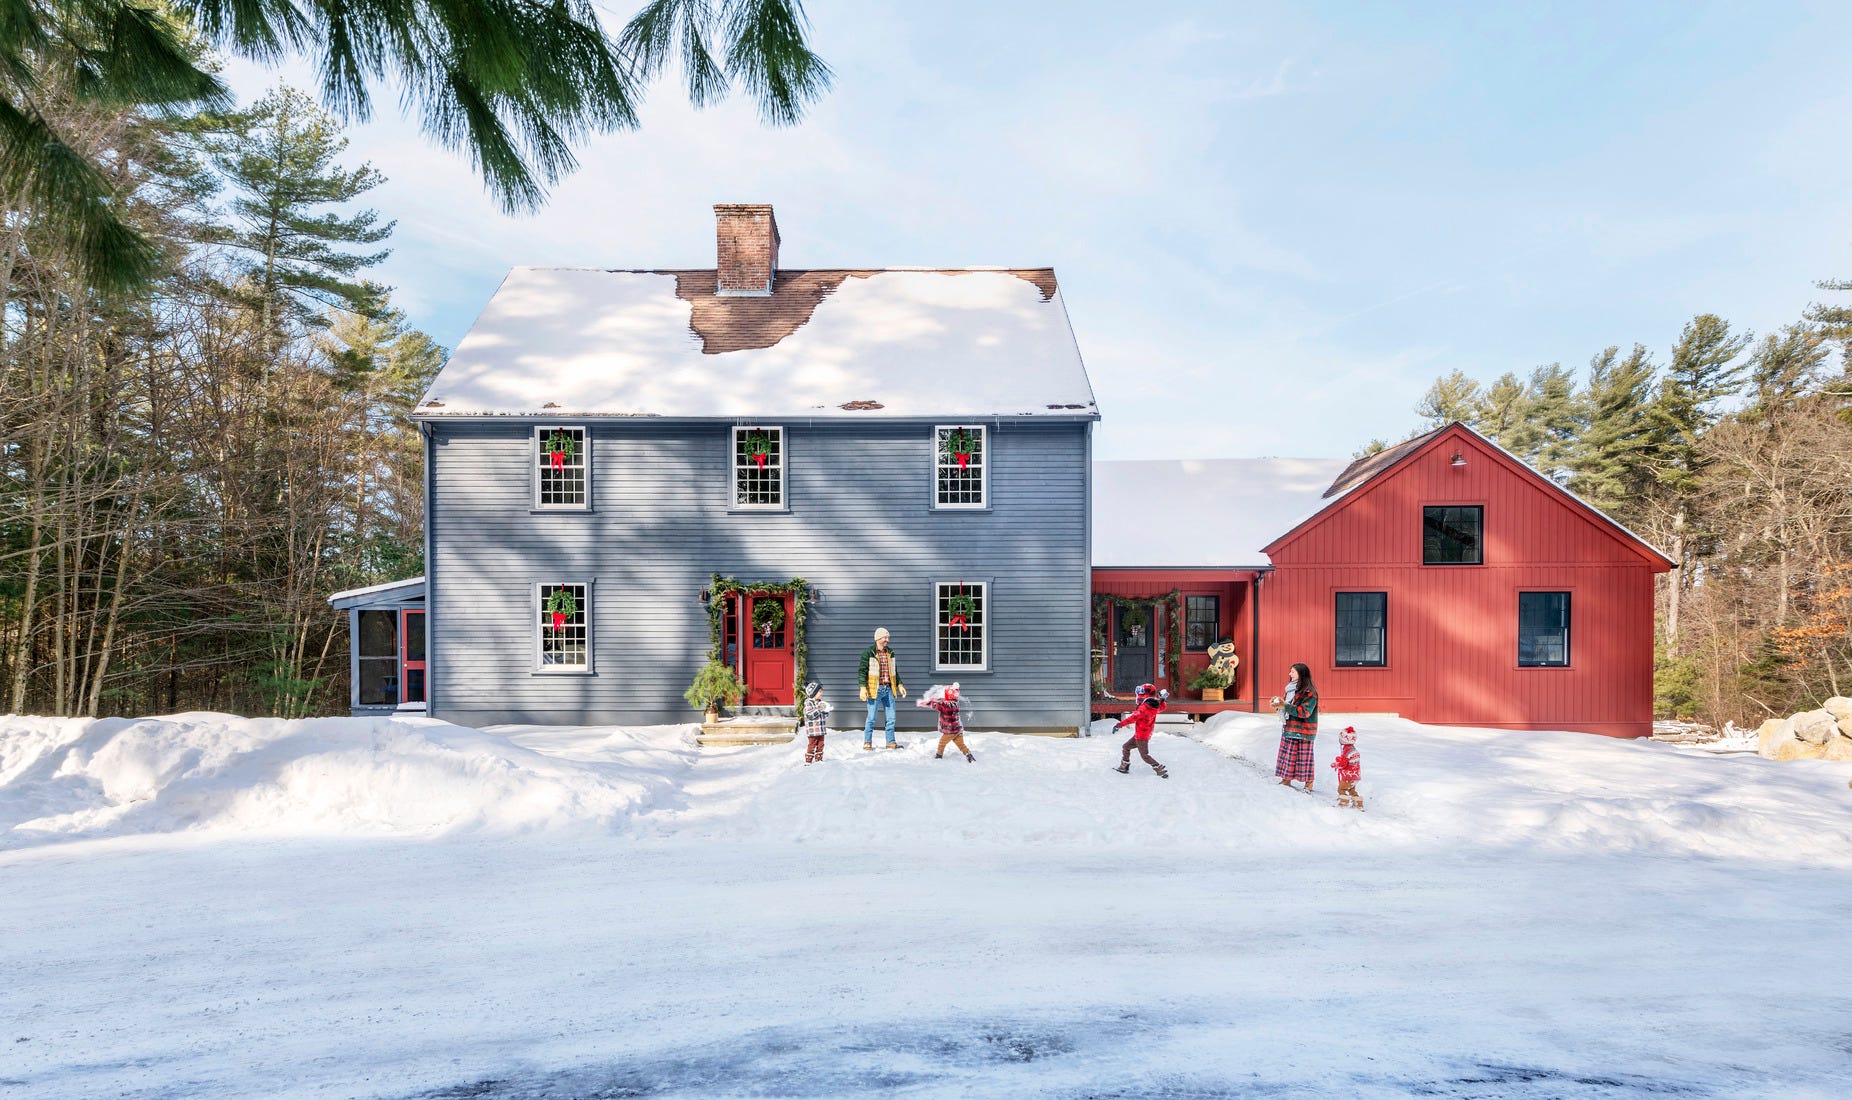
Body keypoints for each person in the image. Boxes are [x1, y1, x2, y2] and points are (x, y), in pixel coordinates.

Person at [1270, 663, 1319, 792]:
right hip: (1290, 727)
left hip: (1304, 730)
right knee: (1288, 755)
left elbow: (1304, 712)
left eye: (1292, 672)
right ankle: (1286, 779)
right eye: (1290, 671)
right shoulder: (1291, 690)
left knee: (1304, 757)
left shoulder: (1310, 693)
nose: (1289, 674)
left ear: (1301, 674)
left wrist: (1284, 706)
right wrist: (1279, 705)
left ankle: (1309, 783)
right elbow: (1288, 706)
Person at [859, 627, 907, 750]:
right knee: (871, 717)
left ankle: (890, 742)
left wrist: (900, 685)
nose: (887, 640)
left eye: (888, 637)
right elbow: (862, 671)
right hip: (875, 689)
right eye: (885, 637)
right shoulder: (869, 652)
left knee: (891, 717)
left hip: (889, 689)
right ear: (878, 638)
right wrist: (862, 688)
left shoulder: (890, 653)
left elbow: (894, 672)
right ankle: (867, 742)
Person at [1113, 682, 1170, 778]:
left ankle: (1159, 769)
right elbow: (1163, 707)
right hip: (1142, 734)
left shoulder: (1144, 708)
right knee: (1126, 747)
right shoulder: (1153, 706)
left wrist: (1119, 725)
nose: (1139, 695)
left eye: (1141, 692)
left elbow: (1133, 718)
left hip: (1141, 736)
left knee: (1145, 755)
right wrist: (1162, 700)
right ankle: (1124, 766)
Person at [918, 682, 974, 761]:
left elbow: (936, 705)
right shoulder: (955, 703)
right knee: (961, 745)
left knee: (942, 743)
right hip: (958, 730)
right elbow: (942, 701)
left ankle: (938, 756)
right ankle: (969, 755)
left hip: (950, 731)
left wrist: (926, 702)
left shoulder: (946, 705)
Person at [1331, 725, 1361, 809]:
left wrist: (1336, 764)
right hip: (1355, 776)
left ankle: (1343, 803)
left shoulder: (1347, 751)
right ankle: (1358, 803)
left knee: (1341, 789)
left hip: (1348, 776)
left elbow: (1343, 764)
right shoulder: (1353, 750)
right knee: (1351, 789)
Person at [801, 681, 831, 764]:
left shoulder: (820, 702)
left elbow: (823, 716)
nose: (822, 693)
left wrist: (826, 711)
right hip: (813, 730)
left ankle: (819, 760)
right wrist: (819, 709)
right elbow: (810, 715)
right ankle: (808, 761)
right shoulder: (808, 703)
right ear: (813, 692)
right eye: (820, 691)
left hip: (820, 729)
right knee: (812, 745)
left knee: (821, 744)